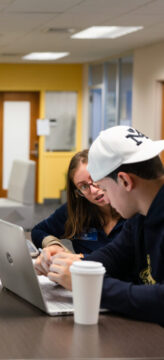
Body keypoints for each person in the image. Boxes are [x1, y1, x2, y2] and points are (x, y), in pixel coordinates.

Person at [40, 126, 164, 325]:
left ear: (124, 181)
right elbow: (113, 255)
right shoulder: (141, 214)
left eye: (104, 188)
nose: (102, 196)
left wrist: (87, 285)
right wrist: (68, 266)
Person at [32, 150, 124, 274]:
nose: (94, 190)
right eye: (84, 186)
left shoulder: (132, 211)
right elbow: (38, 231)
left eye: (95, 178)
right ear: (78, 192)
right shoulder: (77, 211)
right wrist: (54, 245)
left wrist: (75, 260)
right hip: (84, 281)